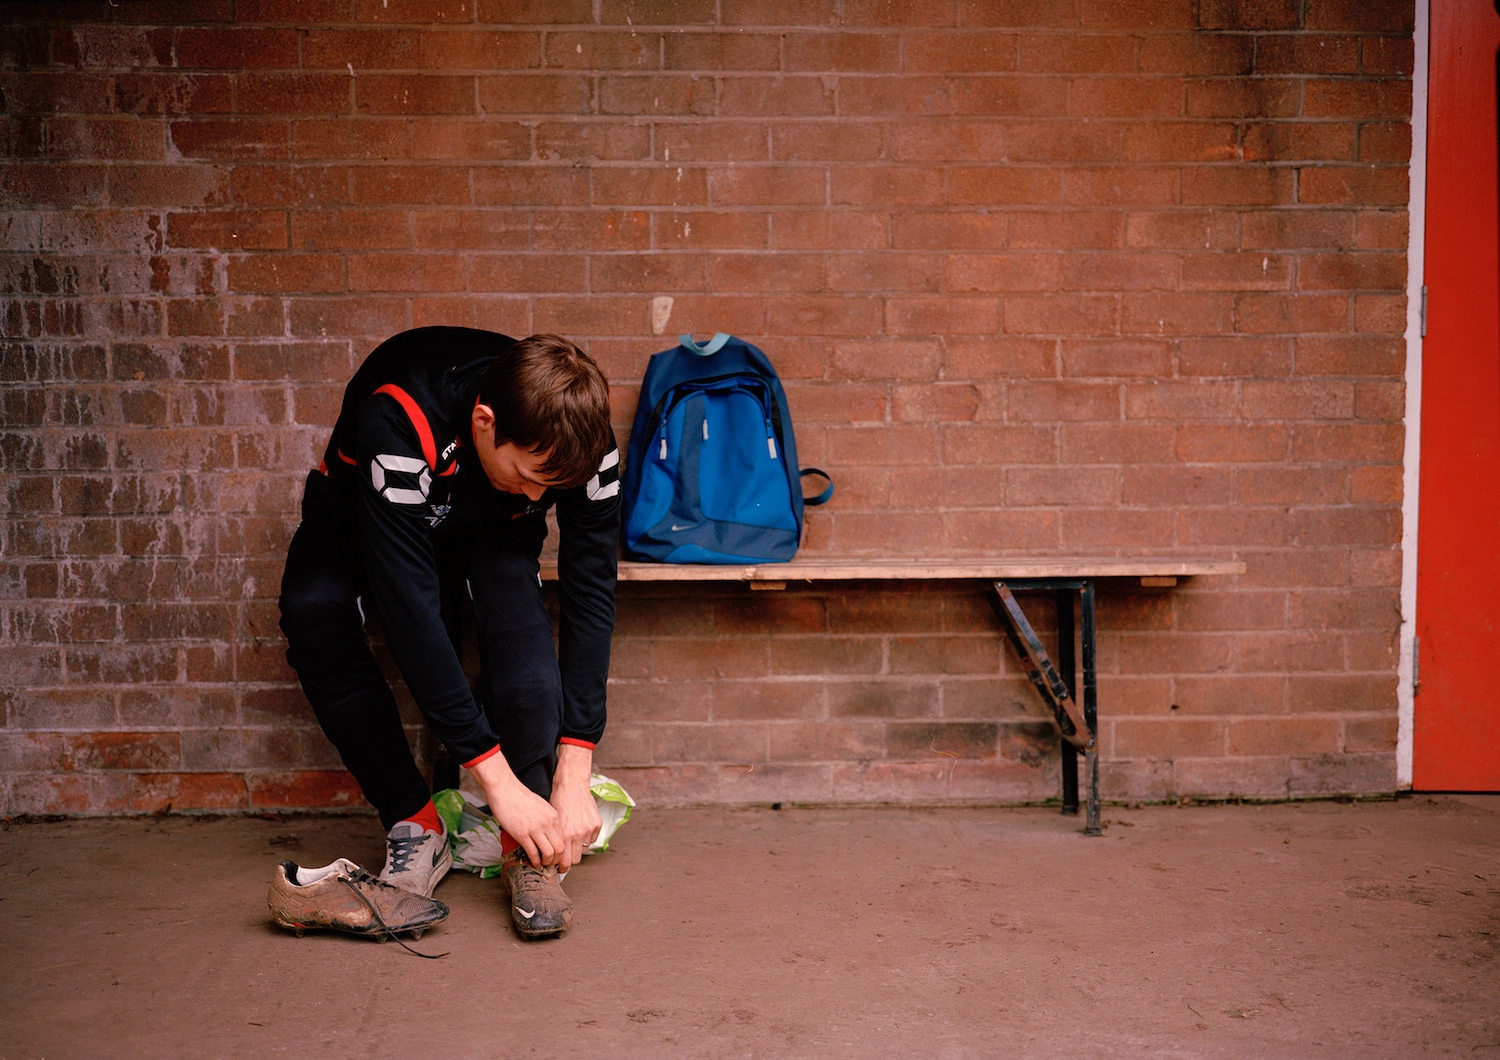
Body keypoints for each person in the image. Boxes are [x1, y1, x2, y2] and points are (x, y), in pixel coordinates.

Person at [277, 327, 620, 939]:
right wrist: (493, 777)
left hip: (489, 514)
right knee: (313, 612)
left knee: (521, 635)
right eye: (533, 474)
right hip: (371, 508)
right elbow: (412, 613)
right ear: (485, 422)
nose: (543, 496)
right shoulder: (399, 418)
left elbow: (591, 587)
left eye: (557, 486)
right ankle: (417, 824)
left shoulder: (580, 438)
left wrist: (575, 765)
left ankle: (529, 843)